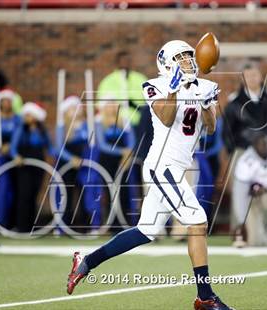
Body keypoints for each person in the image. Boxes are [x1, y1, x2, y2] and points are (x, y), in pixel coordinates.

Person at [66, 40, 233, 310]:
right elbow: (166, 117)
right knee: (198, 221)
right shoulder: (154, 85)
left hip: (179, 166)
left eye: (190, 56)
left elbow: (211, 128)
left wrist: (205, 105)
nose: (189, 61)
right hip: (162, 165)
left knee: (146, 231)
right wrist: (178, 88)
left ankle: (86, 261)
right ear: (166, 62)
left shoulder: (205, 87)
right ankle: (205, 297)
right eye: (181, 57)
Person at [222, 60, 267, 244]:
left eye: (255, 75)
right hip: (243, 151)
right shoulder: (234, 103)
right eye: (248, 76)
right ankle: (239, 232)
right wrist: (233, 150)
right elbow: (227, 130)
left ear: (261, 77)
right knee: (240, 193)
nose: (252, 79)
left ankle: (263, 231)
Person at [10, 102, 56, 233]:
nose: (26, 117)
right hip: (24, 165)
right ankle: (21, 226)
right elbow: (13, 147)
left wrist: (59, 156)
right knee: (24, 194)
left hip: (38, 165)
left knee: (34, 194)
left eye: (29, 114)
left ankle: (31, 225)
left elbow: (50, 148)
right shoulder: (21, 129)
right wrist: (16, 156)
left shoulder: (42, 130)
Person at [55, 96, 99, 231]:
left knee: (85, 193)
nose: (75, 111)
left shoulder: (88, 125)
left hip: (83, 163)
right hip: (66, 164)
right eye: (71, 109)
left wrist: (86, 160)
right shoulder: (62, 127)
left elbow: (93, 145)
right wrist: (71, 159)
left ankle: (87, 226)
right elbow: (58, 147)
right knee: (64, 194)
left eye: (77, 108)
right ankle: (62, 226)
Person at [95, 98, 138, 228]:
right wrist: (122, 151)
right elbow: (102, 145)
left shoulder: (124, 121)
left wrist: (128, 153)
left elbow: (132, 141)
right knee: (109, 191)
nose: (112, 107)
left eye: (114, 104)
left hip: (123, 161)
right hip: (107, 161)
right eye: (109, 105)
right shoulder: (99, 122)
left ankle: (125, 222)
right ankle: (111, 224)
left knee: (123, 191)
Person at [0, 89, 21, 228]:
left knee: (14, 191)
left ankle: (10, 223)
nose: (7, 103)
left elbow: (18, 137)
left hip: (14, 158)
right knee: (1, 189)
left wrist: (10, 148)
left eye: (9, 101)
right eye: (4, 101)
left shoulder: (17, 119)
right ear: (0, 102)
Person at [97, 50, 148, 127]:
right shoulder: (107, 81)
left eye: (127, 61)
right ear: (117, 63)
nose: (125, 63)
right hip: (116, 123)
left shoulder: (140, 79)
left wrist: (134, 105)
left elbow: (149, 101)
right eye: (122, 61)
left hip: (139, 122)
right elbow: (100, 105)